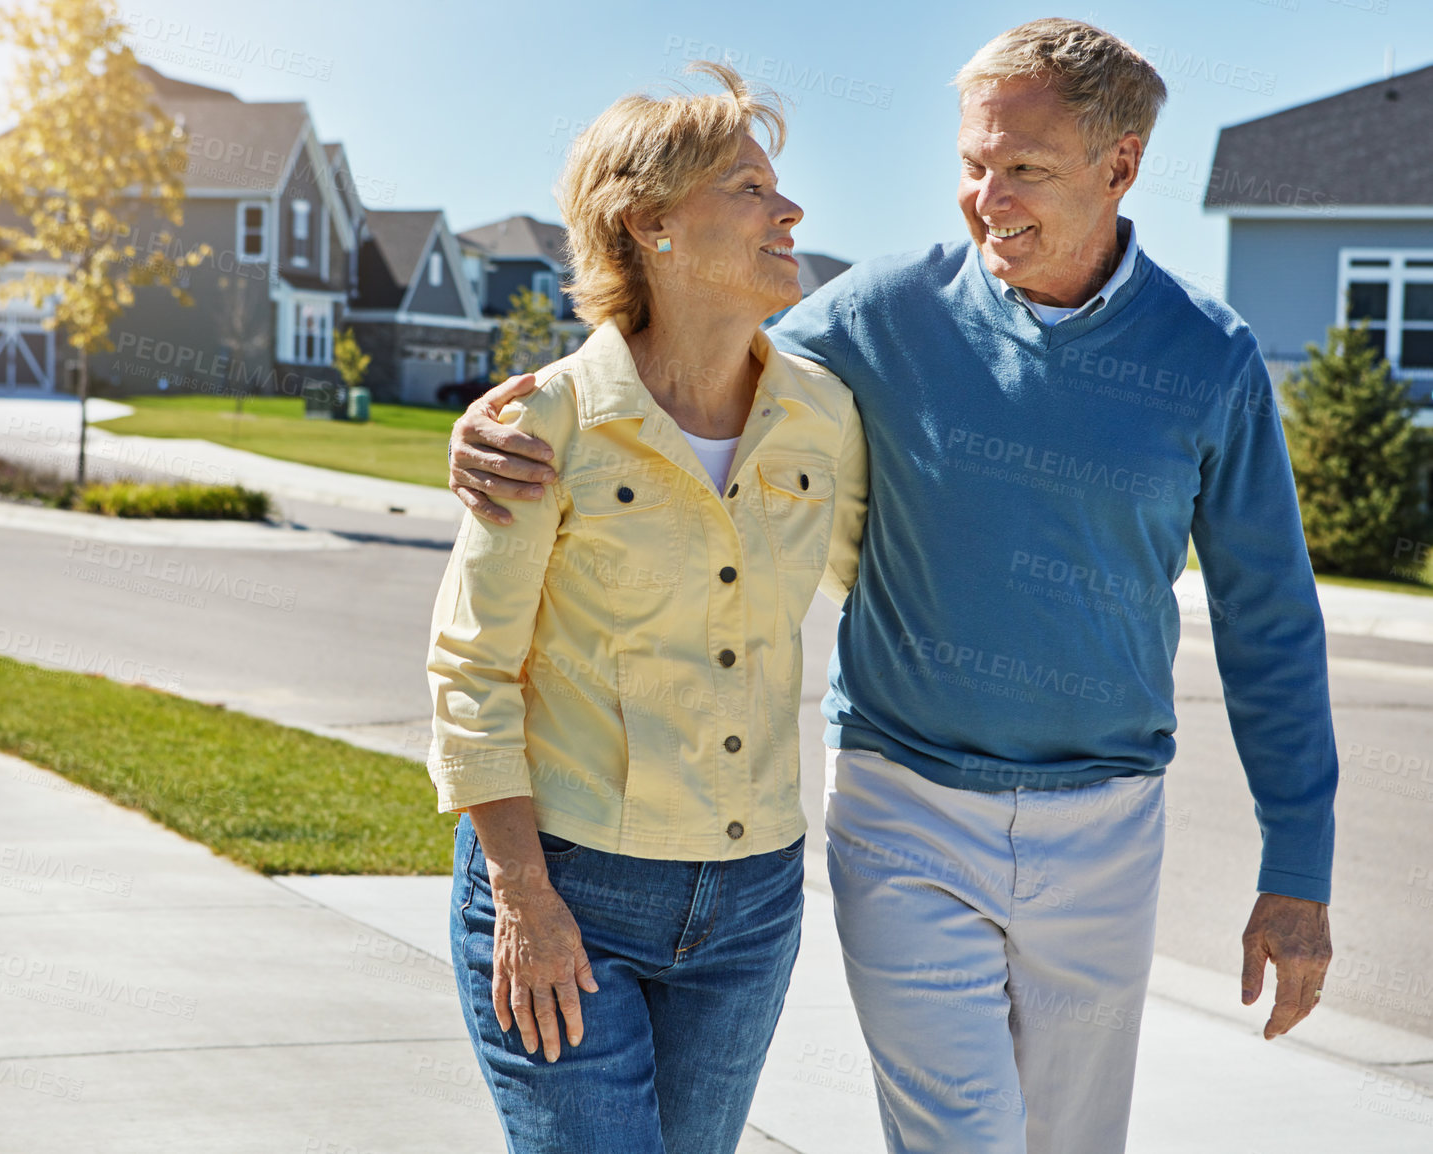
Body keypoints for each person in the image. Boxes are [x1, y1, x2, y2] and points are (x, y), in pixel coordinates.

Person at [446, 19, 1337, 1154]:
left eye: (1023, 169)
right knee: (961, 1136)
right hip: (904, 801)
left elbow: (1271, 624)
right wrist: (489, 429)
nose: (985, 196)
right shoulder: (874, 319)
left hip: (1108, 820)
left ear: (1120, 165)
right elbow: (680, 350)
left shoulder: (1209, 356)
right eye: (972, 163)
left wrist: (1297, 868)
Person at [424, 63, 867, 1154]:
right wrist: (523, 901)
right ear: (651, 223)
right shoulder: (544, 424)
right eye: (747, 187)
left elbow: (895, 582)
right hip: (565, 893)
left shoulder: (823, 415)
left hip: (752, 901)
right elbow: (470, 673)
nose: (789, 210)